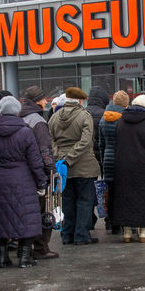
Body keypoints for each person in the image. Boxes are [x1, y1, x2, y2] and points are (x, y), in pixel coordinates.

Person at [0, 96, 47, 265]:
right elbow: (35, 161)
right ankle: (25, 257)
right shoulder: (25, 132)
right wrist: (41, 182)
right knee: (26, 217)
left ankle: (3, 257)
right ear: (17, 111)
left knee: (0, 218)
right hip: (23, 179)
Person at [48, 87, 101, 245]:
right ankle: (81, 235)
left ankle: (67, 234)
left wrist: (61, 156)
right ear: (80, 101)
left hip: (63, 166)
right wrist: (70, 157)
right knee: (85, 201)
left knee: (67, 201)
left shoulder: (54, 117)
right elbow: (86, 141)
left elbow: (51, 140)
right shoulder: (85, 116)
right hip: (84, 165)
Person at [112, 94, 145, 240]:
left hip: (122, 165)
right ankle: (143, 231)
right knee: (143, 196)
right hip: (142, 165)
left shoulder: (121, 120)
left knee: (124, 196)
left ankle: (127, 232)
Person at [21, 86, 59, 259]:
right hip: (38, 173)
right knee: (44, 210)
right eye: (44, 99)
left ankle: (25, 248)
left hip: (22, 173)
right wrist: (51, 171)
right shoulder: (38, 121)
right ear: (38, 101)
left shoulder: (20, 116)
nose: (46, 102)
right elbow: (45, 150)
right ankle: (41, 247)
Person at [97, 90, 128, 233]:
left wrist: (103, 161)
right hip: (123, 159)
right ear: (126, 104)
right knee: (124, 192)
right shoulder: (125, 119)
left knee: (111, 193)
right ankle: (124, 223)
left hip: (108, 159)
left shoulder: (104, 119)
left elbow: (101, 144)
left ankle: (112, 224)